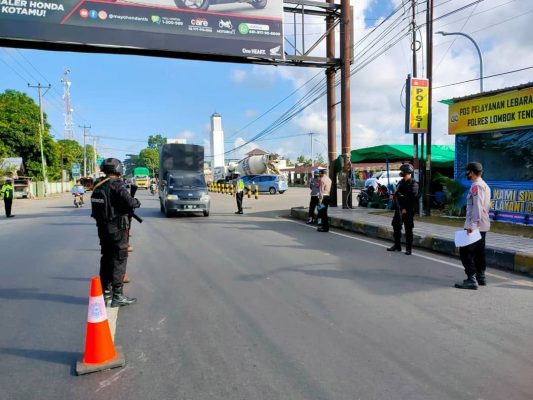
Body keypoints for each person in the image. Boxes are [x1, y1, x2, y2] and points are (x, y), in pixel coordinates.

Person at [91, 158, 140, 307]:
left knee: (106, 257)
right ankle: (117, 295)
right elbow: (131, 203)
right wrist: (136, 201)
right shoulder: (116, 185)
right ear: (118, 169)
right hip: (117, 228)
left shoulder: (98, 185)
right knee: (119, 258)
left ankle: (105, 291)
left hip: (102, 228)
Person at [455, 162, 491, 290]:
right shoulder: (485, 185)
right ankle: (481, 277)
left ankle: (471, 279)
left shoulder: (477, 186)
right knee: (479, 252)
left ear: (471, 172)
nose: (467, 174)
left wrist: (472, 225)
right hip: (483, 225)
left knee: (465, 251)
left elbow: (478, 206)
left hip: (475, 225)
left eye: (468, 172)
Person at [387, 163, 418, 255]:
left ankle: (409, 248)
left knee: (408, 229)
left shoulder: (414, 184)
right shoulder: (401, 183)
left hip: (407, 210)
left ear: (409, 173)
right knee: (396, 226)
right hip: (399, 208)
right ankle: (397, 245)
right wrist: (393, 196)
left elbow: (412, 199)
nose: (403, 175)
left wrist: (406, 208)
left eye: (405, 173)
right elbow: (397, 193)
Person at [317, 168, 332, 232]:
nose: (318, 174)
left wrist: (320, 201)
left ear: (321, 173)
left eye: (319, 173)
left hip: (323, 197)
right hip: (328, 197)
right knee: (325, 213)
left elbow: (321, 191)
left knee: (323, 214)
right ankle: (325, 227)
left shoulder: (322, 180)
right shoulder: (329, 179)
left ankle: (324, 228)